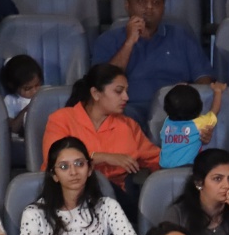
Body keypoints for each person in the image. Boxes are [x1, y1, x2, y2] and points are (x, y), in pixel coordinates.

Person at [19, 136, 142, 235]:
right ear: (54, 175)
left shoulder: (106, 206)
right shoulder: (34, 213)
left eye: (79, 164)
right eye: (64, 167)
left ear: (89, 169)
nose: (73, 172)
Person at [90, 0, 214, 112]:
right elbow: (103, 83)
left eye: (156, 2)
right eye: (141, 1)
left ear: (163, 7)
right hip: (127, 110)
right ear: (127, 5)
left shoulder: (181, 36)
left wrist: (191, 96)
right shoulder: (107, 40)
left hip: (174, 111)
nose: (149, 7)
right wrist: (129, 42)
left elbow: (204, 78)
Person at [40, 62, 162, 203]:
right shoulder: (62, 119)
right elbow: (55, 160)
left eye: (126, 92)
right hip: (66, 194)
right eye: (118, 91)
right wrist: (103, 157)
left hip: (113, 200)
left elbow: (156, 159)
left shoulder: (129, 126)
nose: (126, 97)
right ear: (96, 94)